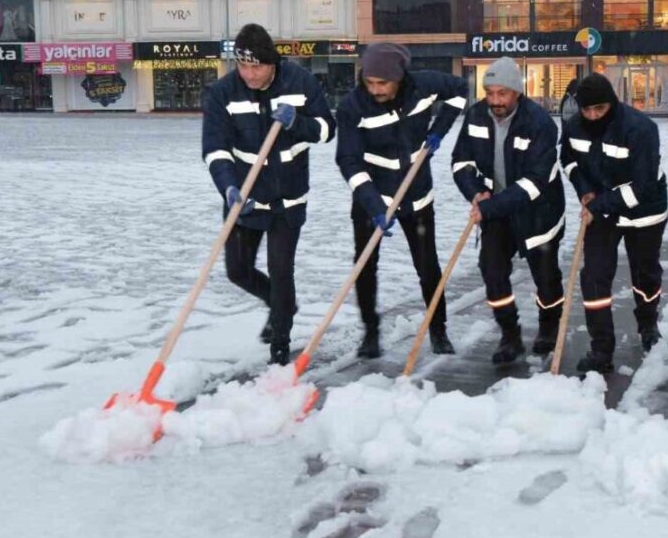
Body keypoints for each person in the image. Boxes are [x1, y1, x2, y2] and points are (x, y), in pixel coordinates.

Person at [201, 24, 336, 365]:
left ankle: (280, 345)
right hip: (243, 197)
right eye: (242, 65)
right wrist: (228, 186)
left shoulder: (299, 82)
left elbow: (327, 130)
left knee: (281, 271)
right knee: (237, 270)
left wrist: (297, 123)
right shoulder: (222, 92)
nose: (249, 74)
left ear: (272, 62)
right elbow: (215, 148)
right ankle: (282, 305)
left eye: (256, 66)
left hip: (287, 199)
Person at [335, 43, 469, 359]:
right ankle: (370, 334)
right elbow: (348, 160)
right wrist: (374, 205)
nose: (376, 90)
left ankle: (438, 329)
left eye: (383, 83)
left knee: (427, 265)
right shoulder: (353, 107)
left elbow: (460, 90)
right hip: (372, 197)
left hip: (417, 195)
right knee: (365, 266)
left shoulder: (423, 86)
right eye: (370, 82)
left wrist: (439, 130)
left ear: (398, 77)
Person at [451, 57, 565, 364]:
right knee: (492, 271)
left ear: (517, 92)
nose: (495, 101)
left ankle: (549, 327)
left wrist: (490, 207)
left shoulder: (539, 123)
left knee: (546, 276)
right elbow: (461, 161)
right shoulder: (476, 115)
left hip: (538, 212)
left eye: (502, 93)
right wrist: (475, 191)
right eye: (489, 93)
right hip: (497, 211)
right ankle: (509, 334)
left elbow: (535, 182)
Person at [559, 73, 668, 375]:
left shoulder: (640, 128)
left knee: (645, 273)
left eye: (600, 109)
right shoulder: (573, 126)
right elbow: (568, 160)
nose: (593, 116)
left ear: (612, 103)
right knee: (594, 276)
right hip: (602, 211)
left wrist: (598, 204)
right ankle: (601, 348)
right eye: (587, 110)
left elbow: (643, 186)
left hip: (644, 210)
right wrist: (584, 190)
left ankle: (648, 323)